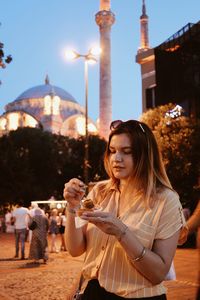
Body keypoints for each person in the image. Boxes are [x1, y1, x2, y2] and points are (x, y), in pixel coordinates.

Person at [63, 119, 186, 300]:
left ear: (145, 155)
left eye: (126, 152)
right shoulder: (100, 191)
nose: (116, 158)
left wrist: (121, 232)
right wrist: (72, 207)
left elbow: (158, 273)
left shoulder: (166, 200)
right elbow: (75, 249)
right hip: (93, 293)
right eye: (112, 151)